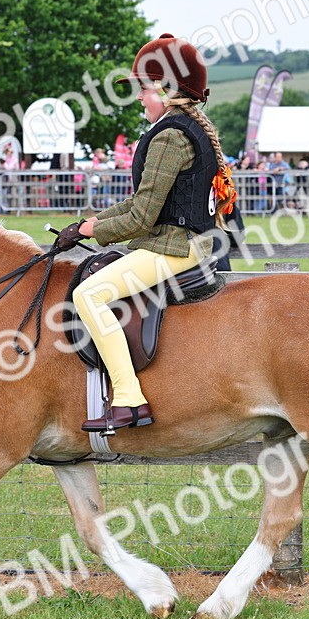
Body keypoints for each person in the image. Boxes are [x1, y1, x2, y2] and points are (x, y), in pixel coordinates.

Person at [59, 34, 237, 433]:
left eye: (144, 88)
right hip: (184, 243)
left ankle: (127, 398)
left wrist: (96, 231)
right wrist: (89, 224)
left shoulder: (170, 136)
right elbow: (141, 201)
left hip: (175, 248)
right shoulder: (183, 128)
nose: (138, 96)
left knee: (89, 295)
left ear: (167, 89)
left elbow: (141, 218)